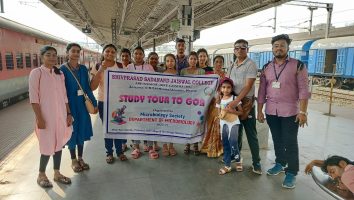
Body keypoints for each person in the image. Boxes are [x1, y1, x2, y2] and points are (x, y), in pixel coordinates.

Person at [257, 34, 311, 189]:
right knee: (277, 139)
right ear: (272, 48)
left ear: (288, 48)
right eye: (276, 46)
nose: (278, 48)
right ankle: (280, 163)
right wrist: (260, 111)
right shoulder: (267, 67)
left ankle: (292, 172)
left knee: (290, 142)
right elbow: (261, 91)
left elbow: (303, 90)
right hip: (271, 111)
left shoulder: (298, 65)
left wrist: (303, 112)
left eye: (282, 45)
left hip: (290, 112)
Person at [29, 45, 72, 188]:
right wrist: (39, 118)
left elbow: (65, 97)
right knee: (46, 146)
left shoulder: (59, 74)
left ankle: (57, 173)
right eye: (48, 55)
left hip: (60, 116)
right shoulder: (37, 73)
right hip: (46, 117)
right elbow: (34, 98)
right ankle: (41, 174)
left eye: (54, 55)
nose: (52, 57)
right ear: (42, 57)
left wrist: (68, 114)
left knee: (59, 145)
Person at [226, 39, 262, 175]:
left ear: (247, 49)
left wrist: (236, 102)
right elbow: (228, 82)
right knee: (236, 133)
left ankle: (256, 162)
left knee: (251, 134)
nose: (240, 50)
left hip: (246, 104)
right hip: (234, 103)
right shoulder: (232, 65)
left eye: (243, 48)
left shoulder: (251, 65)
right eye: (237, 48)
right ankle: (236, 156)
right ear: (234, 50)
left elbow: (248, 86)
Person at [60, 43, 98, 172]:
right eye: (73, 51)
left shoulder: (83, 69)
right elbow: (61, 92)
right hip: (69, 106)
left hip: (82, 104)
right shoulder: (62, 70)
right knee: (72, 131)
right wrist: (65, 110)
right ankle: (73, 160)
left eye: (78, 51)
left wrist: (94, 103)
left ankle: (81, 157)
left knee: (81, 129)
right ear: (67, 53)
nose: (76, 54)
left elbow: (87, 88)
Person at [90, 44, 128, 164]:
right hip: (104, 102)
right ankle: (109, 153)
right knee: (107, 128)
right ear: (103, 53)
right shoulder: (97, 66)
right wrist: (101, 69)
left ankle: (120, 152)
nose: (110, 54)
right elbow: (92, 87)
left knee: (118, 127)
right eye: (107, 51)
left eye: (112, 52)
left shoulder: (121, 66)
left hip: (118, 102)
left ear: (116, 54)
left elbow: (127, 84)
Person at [127, 46, 159, 159]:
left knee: (148, 123)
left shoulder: (149, 67)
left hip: (147, 101)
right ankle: (136, 147)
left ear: (143, 55)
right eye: (136, 53)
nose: (138, 56)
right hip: (134, 102)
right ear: (133, 55)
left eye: (140, 53)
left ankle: (150, 148)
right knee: (135, 124)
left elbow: (155, 83)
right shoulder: (129, 67)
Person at [217, 78, 243, 175]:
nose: (226, 90)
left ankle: (238, 160)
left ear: (232, 89)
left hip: (234, 123)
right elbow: (218, 113)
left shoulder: (234, 99)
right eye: (223, 87)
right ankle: (227, 165)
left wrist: (233, 111)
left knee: (233, 142)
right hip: (223, 124)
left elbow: (241, 112)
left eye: (228, 87)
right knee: (226, 144)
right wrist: (219, 120)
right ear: (220, 88)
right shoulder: (219, 100)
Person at [200, 55, 225, 157]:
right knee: (209, 124)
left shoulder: (225, 75)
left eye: (220, 62)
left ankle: (217, 148)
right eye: (216, 62)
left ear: (223, 64)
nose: (218, 64)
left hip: (221, 103)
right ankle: (207, 146)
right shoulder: (209, 74)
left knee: (218, 124)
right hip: (209, 102)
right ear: (213, 63)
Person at [180, 51, 205, 155]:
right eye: (191, 59)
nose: (193, 61)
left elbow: (204, 86)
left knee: (196, 123)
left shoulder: (201, 71)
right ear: (188, 60)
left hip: (198, 101)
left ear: (197, 60)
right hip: (186, 101)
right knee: (186, 123)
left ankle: (195, 144)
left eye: (195, 59)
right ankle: (187, 144)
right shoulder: (183, 71)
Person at [159, 53, 178, 157]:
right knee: (164, 125)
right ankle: (165, 146)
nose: (170, 63)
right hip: (164, 103)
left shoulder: (178, 74)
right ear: (165, 63)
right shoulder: (162, 74)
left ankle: (171, 146)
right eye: (167, 61)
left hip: (175, 103)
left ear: (175, 62)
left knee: (172, 124)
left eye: (172, 61)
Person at [120, 48, 131, 152]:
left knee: (129, 121)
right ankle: (123, 143)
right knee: (121, 121)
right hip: (119, 99)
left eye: (127, 56)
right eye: (122, 56)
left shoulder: (132, 68)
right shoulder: (117, 67)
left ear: (130, 57)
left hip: (132, 99)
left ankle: (131, 141)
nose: (124, 58)